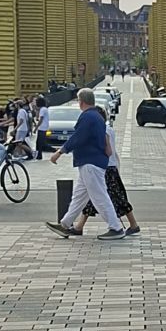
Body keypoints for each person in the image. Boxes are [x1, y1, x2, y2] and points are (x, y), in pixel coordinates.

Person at [48, 88, 126, 239]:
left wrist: (60, 152)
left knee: (99, 196)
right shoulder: (97, 117)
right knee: (79, 196)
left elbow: (78, 137)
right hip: (93, 162)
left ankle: (116, 228)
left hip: (90, 162)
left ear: (81, 101)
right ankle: (65, 224)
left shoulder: (87, 117)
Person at [78, 114, 141, 236]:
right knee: (93, 197)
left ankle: (132, 225)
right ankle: (79, 226)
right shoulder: (108, 129)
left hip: (105, 168)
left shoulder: (102, 130)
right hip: (110, 167)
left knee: (115, 197)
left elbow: (105, 149)